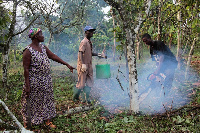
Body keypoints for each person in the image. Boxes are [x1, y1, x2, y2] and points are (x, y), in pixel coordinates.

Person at [21, 28, 75, 129]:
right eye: (41, 34)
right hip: (34, 81)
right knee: (33, 101)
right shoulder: (28, 51)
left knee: (46, 100)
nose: (43, 36)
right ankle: (28, 122)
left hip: (46, 80)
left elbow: (53, 56)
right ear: (36, 36)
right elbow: (26, 70)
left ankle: (47, 120)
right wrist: (28, 86)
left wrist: (66, 64)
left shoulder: (43, 47)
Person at [73, 26, 107, 104]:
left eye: (92, 31)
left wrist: (99, 55)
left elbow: (89, 53)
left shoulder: (89, 42)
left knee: (90, 82)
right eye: (89, 31)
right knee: (81, 83)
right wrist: (83, 64)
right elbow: (80, 52)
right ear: (85, 32)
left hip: (89, 65)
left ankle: (86, 98)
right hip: (83, 65)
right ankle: (75, 97)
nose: (91, 32)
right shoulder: (84, 42)